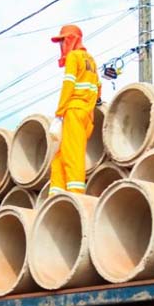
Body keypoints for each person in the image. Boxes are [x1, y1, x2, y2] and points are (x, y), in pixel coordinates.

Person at [48, 24, 101, 196]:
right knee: (59, 158)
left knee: (73, 156)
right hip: (86, 115)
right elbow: (98, 87)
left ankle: (75, 195)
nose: (61, 45)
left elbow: (68, 85)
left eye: (63, 41)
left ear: (71, 40)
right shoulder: (91, 60)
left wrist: (59, 112)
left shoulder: (74, 56)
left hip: (74, 112)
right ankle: (55, 196)